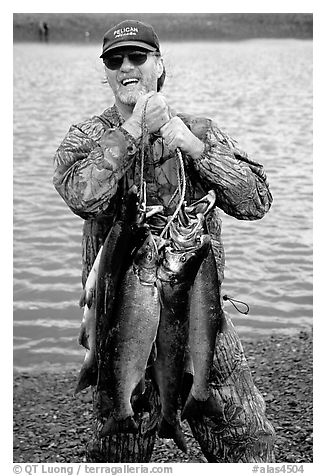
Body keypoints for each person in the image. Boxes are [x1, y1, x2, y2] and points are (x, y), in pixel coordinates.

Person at [53, 19, 275, 463]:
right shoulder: (86, 138)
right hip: (120, 322)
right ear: (106, 71)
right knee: (119, 456)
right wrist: (132, 130)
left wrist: (195, 148)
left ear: (159, 64)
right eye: (115, 60)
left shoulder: (200, 129)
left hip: (197, 317)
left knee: (249, 446)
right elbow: (82, 196)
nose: (126, 67)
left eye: (137, 56)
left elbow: (256, 202)